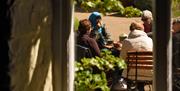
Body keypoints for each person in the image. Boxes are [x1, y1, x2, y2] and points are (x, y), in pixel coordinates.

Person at [120, 22, 153, 91]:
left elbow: (121, 59)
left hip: (131, 73)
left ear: (132, 30)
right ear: (142, 30)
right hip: (149, 72)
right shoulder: (150, 40)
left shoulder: (126, 41)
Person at [172, 18, 180, 91]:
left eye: (173, 24)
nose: (172, 26)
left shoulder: (176, 37)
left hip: (177, 69)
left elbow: (176, 53)